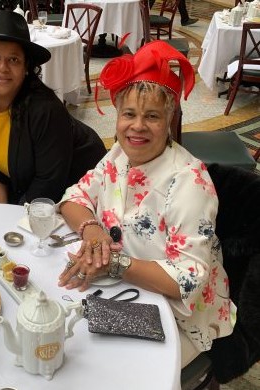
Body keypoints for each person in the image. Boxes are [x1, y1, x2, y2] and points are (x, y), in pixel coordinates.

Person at [57, 40, 235, 368]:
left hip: (177, 316)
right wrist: (93, 231)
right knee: (62, 333)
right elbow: (73, 198)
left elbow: (187, 280)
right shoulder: (118, 157)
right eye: (129, 114)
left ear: (169, 120)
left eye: (152, 116)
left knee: (107, 368)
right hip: (124, 291)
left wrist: (113, 263)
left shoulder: (189, 183)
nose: (137, 126)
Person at [0, 11, 107, 205]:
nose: (2, 67)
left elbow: (49, 183)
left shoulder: (46, 110)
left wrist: (13, 218)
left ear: (27, 68)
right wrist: (2, 206)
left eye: (13, 60)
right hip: (25, 186)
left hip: (79, 186)